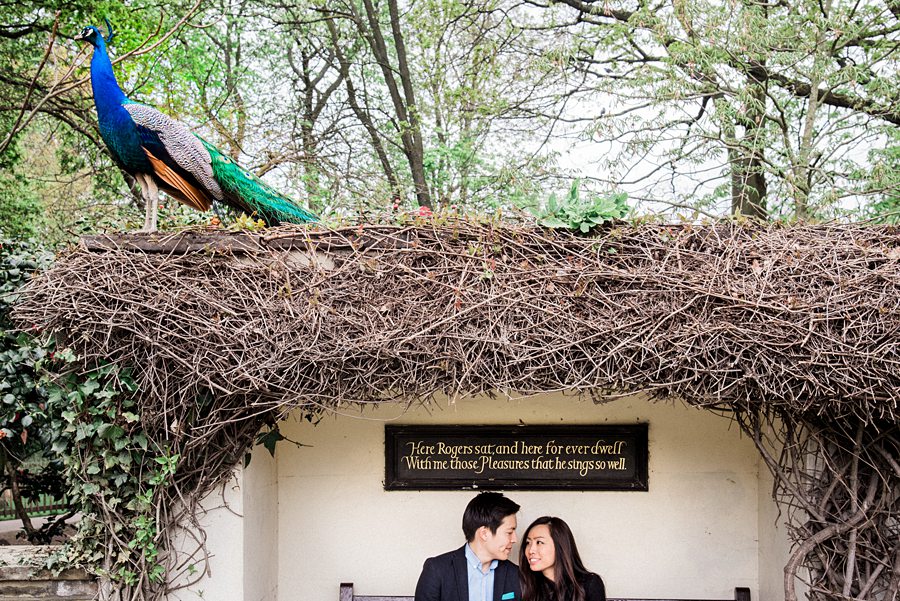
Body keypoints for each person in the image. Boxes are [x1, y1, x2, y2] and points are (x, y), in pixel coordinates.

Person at [415, 492, 522, 601]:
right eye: (509, 532)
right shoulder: (437, 570)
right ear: (484, 533)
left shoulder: (516, 575)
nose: (514, 539)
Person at [519, 516, 606, 601]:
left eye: (539, 542)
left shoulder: (589, 584)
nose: (531, 550)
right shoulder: (525, 585)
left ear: (560, 546)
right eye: (528, 543)